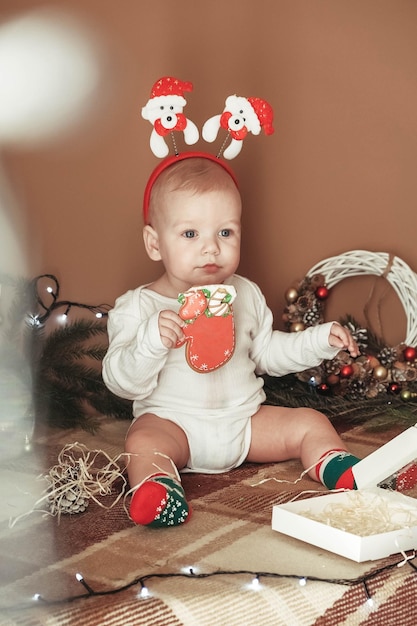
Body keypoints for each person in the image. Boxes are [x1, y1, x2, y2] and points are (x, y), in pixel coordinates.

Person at [102, 153, 360, 528]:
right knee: (142, 443)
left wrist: (321, 341)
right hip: (175, 427)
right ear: (155, 244)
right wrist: (151, 341)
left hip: (245, 422)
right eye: (191, 234)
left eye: (225, 232)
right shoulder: (138, 308)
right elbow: (121, 382)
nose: (211, 248)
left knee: (310, 420)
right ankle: (160, 490)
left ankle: (338, 467)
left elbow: (268, 353)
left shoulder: (246, 294)